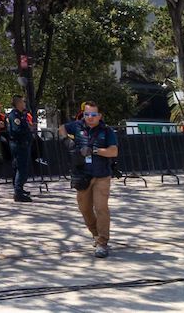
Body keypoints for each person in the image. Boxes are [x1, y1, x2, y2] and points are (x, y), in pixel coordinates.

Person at [59, 101, 119, 258]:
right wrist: (66, 140)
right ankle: (95, 234)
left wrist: (95, 150)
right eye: (87, 114)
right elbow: (61, 128)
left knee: (101, 208)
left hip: (101, 175)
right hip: (82, 175)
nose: (90, 118)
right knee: (85, 208)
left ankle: (102, 242)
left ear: (99, 116)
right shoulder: (77, 126)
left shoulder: (106, 131)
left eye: (93, 115)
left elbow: (113, 151)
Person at [8, 96, 35, 202]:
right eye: (23, 102)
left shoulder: (21, 114)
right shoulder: (14, 115)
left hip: (22, 143)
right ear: (18, 103)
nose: (24, 103)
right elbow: (16, 130)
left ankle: (19, 188)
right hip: (19, 144)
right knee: (21, 167)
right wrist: (28, 130)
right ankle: (18, 192)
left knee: (18, 166)